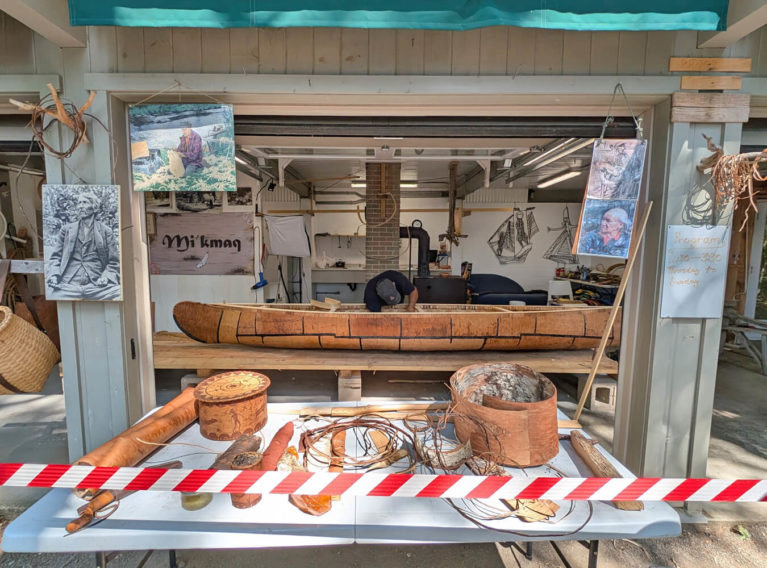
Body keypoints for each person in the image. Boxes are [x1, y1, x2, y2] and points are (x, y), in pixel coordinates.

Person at [46, 192, 121, 300]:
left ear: (94, 207)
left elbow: (114, 261)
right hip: (68, 284)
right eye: (79, 203)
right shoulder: (66, 230)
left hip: (97, 285)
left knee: (119, 294)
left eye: (85, 202)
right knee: (51, 296)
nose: (80, 206)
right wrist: (54, 275)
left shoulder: (106, 231)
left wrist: (106, 277)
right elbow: (55, 257)